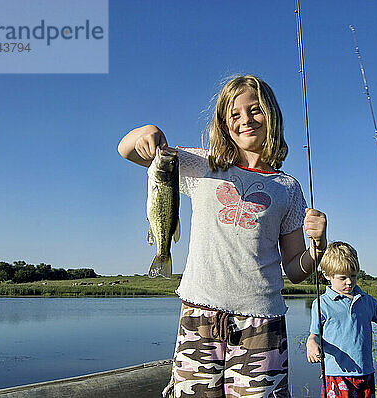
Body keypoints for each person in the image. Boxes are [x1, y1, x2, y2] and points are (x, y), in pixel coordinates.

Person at [118, 74, 327, 398]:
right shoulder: (202, 164)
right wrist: (146, 133)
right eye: (235, 114)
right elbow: (127, 150)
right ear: (223, 124)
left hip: (263, 323)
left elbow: (297, 271)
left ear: (271, 115)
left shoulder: (288, 188)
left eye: (255, 110)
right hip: (200, 315)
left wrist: (318, 246)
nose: (246, 120)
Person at [306, 242, 377, 398]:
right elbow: (314, 335)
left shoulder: (366, 300)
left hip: (365, 372)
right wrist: (311, 344)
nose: (349, 281)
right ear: (326, 275)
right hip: (337, 374)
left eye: (353, 275)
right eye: (343, 277)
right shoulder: (321, 304)